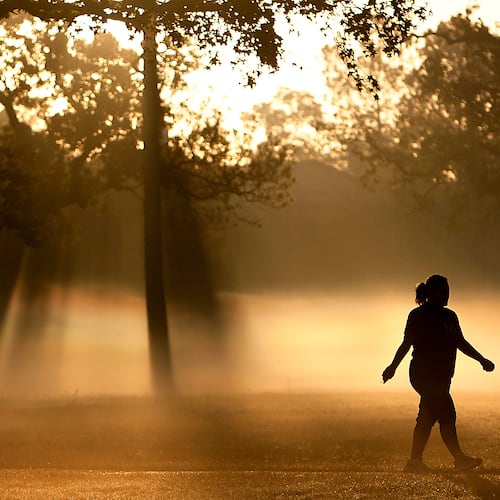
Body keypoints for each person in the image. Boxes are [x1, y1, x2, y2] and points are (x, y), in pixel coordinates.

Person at [382, 274, 495, 473]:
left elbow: (460, 342)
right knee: (447, 414)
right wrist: (392, 367)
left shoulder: (450, 316)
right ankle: (459, 458)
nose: (447, 295)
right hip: (423, 374)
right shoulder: (418, 316)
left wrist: (481, 359)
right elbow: (406, 344)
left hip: (443, 376)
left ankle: (414, 462)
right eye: (443, 291)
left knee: (427, 416)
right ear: (431, 293)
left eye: (448, 291)